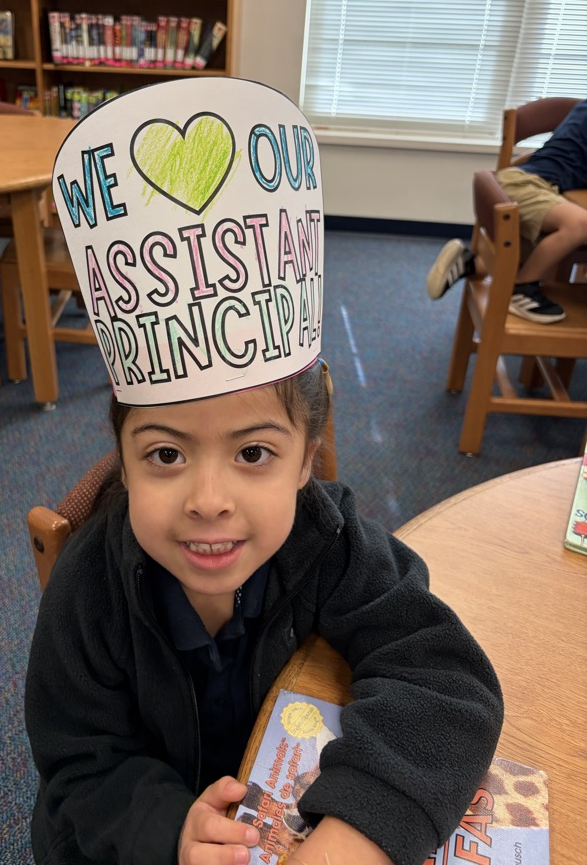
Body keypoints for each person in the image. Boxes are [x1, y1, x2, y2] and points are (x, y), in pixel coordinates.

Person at [25, 77, 504, 865]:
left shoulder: (328, 538)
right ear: (124, 456)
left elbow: (446, 679)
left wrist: (361, 826)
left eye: (253, 454)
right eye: (166, 455)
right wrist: (164, 829)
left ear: (306, 457)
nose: (208, 502)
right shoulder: (91, 589)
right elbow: (78, 767)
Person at [426, 98, 587, 323]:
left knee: (553, 241)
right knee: (579, 225)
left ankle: (473, 263)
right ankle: (521, 289)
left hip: (536, 186)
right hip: (525, 184)